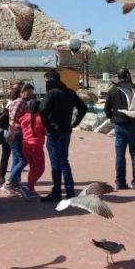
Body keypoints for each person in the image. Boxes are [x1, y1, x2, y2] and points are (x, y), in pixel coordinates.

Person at [39, 70, 89, 202]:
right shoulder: (70, 93)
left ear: (50, 80)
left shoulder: (51, 93)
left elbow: (42, 111)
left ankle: (56, 192)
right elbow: (83, 108)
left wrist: (48, 126)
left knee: (56, 163)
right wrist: (75, 122)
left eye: (46, 81)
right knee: (64, 161)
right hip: (66, 131)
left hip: (54, 133)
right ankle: (70, 190)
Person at [104, 68, 135, 190]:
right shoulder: (134, 90)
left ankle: (120, 182)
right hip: (134, 126)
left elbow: (106, 109)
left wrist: (113, 119)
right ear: (128, 75)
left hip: (119, 127)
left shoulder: (113, 91)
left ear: (118, 77)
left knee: (120, 155)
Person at [4, 84, 35, 197]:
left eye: (32, 92)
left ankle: (14, 183)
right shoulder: (19, 102)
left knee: (17, 159)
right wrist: (11, 133)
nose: (31, 95)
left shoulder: (21, 102)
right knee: (24, 159)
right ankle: (9, 182)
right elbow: (12, 120)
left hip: (17, 132)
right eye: (29, 92)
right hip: (16, 133)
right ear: (23, 91)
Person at [17, 88, 46, 198]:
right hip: (36, 146)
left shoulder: (24, 117)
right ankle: (28, 187)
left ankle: (31, 189)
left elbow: (20, 121)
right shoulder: (41, 119)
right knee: (40, 168)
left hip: (26, 146)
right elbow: (45, 131)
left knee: (33, 168)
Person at [0, 82, 22, 188]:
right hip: (16, 131)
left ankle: (1, 178)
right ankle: (15, 178)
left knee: (5, 155)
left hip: (7, 131)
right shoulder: (20, 103)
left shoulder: (9, 102)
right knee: (17, 156)